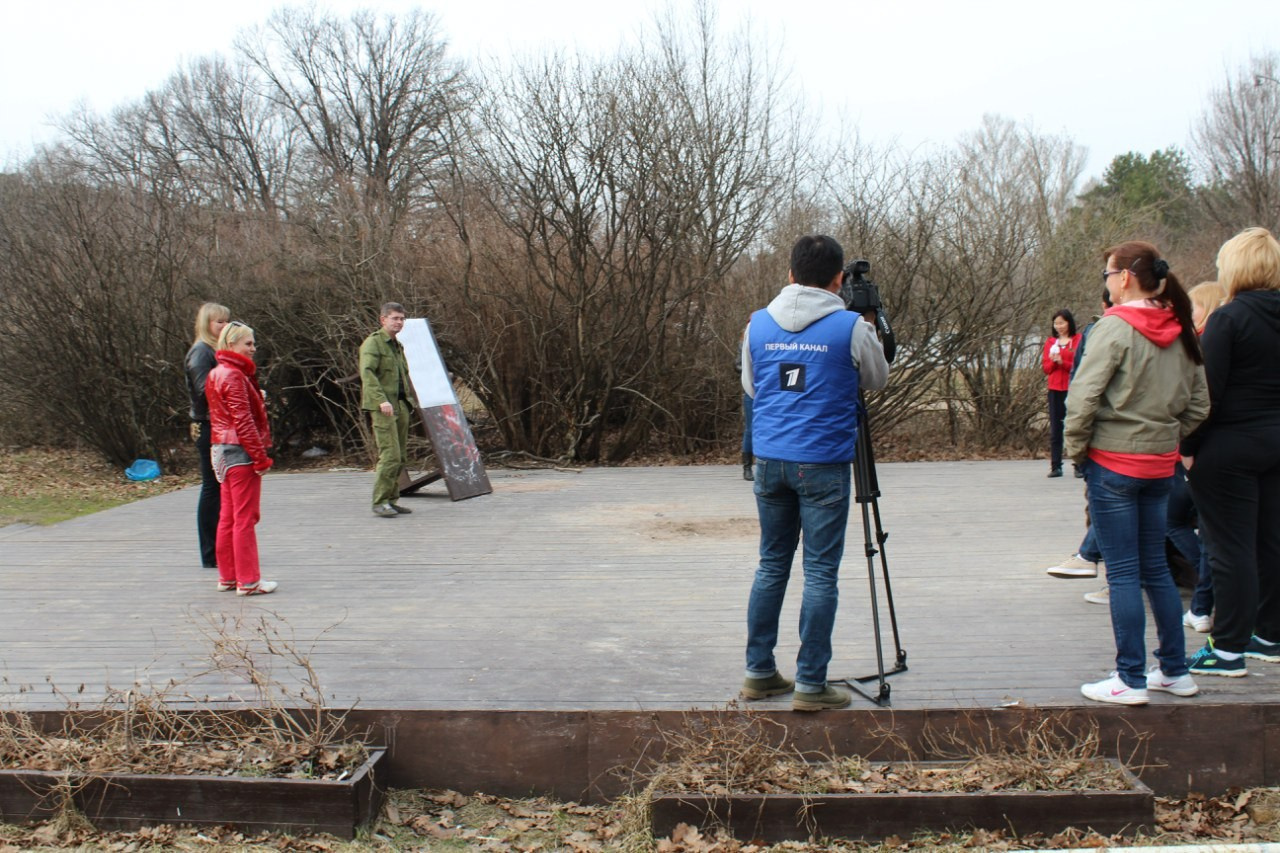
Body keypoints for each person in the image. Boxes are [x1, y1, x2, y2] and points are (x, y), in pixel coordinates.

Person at [739, 235, 890, 712]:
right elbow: (877, 379)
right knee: (820, 571)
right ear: (839, 280)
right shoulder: (849, 326)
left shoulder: (757, 325)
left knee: (771, 564)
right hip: (823, 463)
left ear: (789, 275)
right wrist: (866, 327)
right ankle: (810, 683)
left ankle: (759, 672)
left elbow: (751, 385)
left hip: (770, 461)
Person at [1065, 241, 1208, 705]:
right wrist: (1165, 439)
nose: (1106, 282)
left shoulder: (1115, 328)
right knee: (1155, 572)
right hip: (1159, 467)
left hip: (1113, 465)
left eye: (1107, 274)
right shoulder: (1181, 327)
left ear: (1124, 277)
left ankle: (1129, 678)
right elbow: (1199, 404)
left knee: (1124, 573)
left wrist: (1076, 450)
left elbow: (1082, 398)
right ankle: (1174, 670)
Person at [1183, 228, 1280, 677]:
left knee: (1230, 548)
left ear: (1235, 267)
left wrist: (1188, 447)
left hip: (1230, 448)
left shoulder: (1229, 317)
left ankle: (1226, 651)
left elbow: (1207, 395)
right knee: (1271, 542)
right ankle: (1270, 634)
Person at [206, 321, 277, 596]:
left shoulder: (216, 373)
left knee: (228, 516)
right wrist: (260, 458)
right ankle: (248, 580)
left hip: (220, 449)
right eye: (248, 344)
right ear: (231, 344)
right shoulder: (234, 375)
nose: (253, 349)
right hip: (239, 451)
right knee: (245, 518)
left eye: (253, 343)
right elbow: (243, 420)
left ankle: (228, 576)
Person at [1180, 281, 1228, 634]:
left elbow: (1204, 404)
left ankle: (1202, 607)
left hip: (1211, 451)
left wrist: (1187, 449)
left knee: (1211, 533)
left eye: (1194, 307)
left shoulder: (1211, 340)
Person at [360, 302, 418, 518]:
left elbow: (403, 376)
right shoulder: (373, 344)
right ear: (383, 319)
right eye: (394, 318)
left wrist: (409, 401)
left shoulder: (397, 345)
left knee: (401, 456)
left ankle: (391, 500)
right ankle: (380, 501)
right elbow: (368, 374)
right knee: (390, 455)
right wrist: (381, 400)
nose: (399, 322)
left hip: (400, 404)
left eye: (402, 319)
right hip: (383, 406)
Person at [185, 302, 230, 570]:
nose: (224, 326)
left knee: (221, 487)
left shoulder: (216, 351)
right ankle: (210, 552)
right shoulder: (201, 353)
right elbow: (205, 390)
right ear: (207, 324)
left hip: (218, 425)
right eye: (219, 322)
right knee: (212, 487)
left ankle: (220, 548)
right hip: (208, 426)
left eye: (227, 322)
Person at [1042, 309, 1081, 478]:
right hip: (1055, 389)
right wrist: (1053, 362)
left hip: (1073, 389)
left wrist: (1062, 362)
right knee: (1056, 429)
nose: (1059, 326)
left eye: (1062, 323)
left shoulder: (1078, 340)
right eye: (1056, 323)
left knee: (1076, 426)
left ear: (1069, 323)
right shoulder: (1051, 342)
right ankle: (1056, 465)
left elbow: (1079, 364)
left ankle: (1079, 464)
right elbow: (1046, 368)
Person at [735, 322, 753, 481]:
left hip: (768, 391)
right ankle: (747, 467)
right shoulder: (743, 343)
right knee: (750, 430)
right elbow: (738, 366)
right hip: (751, 391)